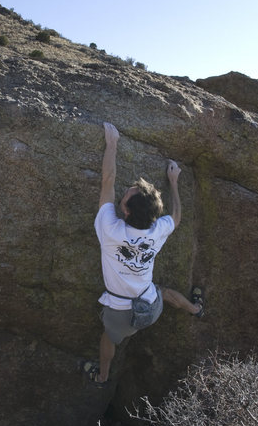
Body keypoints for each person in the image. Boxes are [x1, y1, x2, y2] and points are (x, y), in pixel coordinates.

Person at [85, 121, 204, 388]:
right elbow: (175, 217)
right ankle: (196, 309)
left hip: (120, 316)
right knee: (162, 291)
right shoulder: (157, 230)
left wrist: (112, 143)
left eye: (126, 196)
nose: (123, 192)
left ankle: (102, 375)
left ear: (125, 211)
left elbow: (108, 180)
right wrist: (174, 182)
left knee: (109, 338)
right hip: (151, 308)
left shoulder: (110, 228)